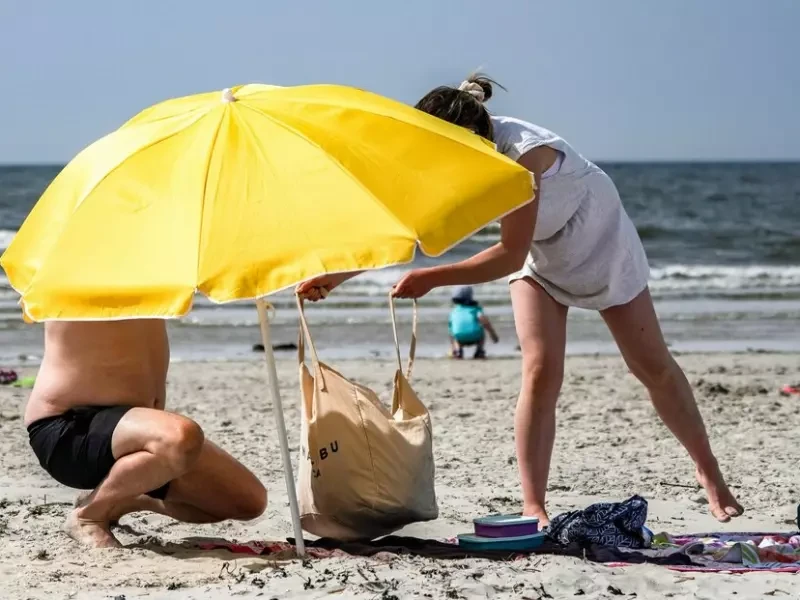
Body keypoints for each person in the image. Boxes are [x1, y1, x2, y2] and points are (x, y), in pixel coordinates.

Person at [297, 74, 744, 525]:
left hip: (599, 239)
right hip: (540, 254)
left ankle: (710, 475)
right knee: (540, 370)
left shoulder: (523, 156)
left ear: (474, 139)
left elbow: (508, 255)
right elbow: (407, 226)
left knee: (652, 367)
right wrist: (338, 275)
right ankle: (534, 506)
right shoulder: (448, 158)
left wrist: (433, 278)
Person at [24, 320, 267, 548]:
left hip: (133, 431)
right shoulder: (72, 274)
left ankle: (123, 498)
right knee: (181, 437)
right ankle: (89, 516)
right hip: (71, 428)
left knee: (249, 502)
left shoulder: (152, 277)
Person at [448, 286, 499, 359]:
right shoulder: (476, 308)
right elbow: (484, 321)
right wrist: (493, 335)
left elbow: (450, 330)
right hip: (475, 336)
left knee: (454, 334)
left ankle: (458, 350)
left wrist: (452, 347)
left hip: (459, 337)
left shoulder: (454, 311)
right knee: (482, 331)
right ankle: (479, 350)